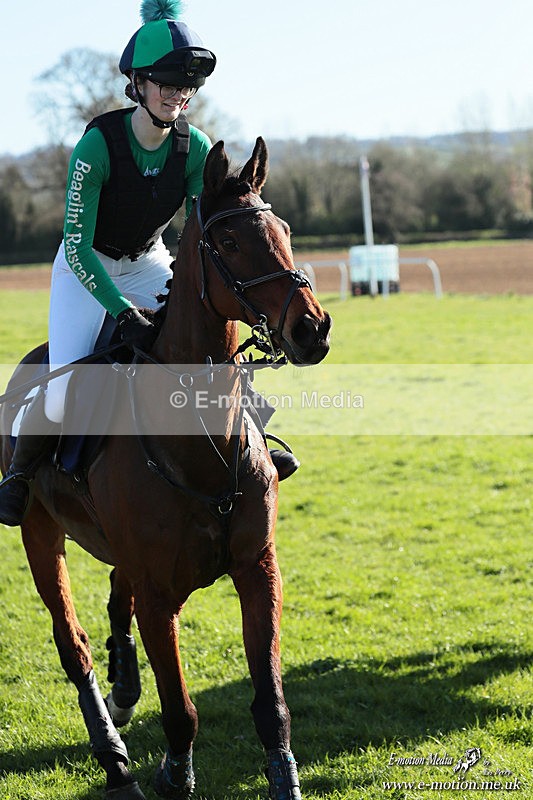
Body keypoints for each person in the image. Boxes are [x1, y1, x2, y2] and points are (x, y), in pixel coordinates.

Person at [0, 0, 298, 527]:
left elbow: (204, 229)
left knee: (207, 343)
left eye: (185, 87)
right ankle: (20, 475)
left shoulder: (194, 146)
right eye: (165, 83)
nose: (177, 95)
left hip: (147, 261)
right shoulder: (97, 145)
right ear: (136, 83)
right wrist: (118, 309)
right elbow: (75, 244)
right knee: (70, 384)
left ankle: (253, 443)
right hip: (84, 266)